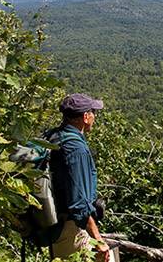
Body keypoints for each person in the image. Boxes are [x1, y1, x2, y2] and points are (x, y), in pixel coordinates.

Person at [46, 93, 116, 262]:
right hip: (71, 229)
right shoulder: (76, 149)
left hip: (55, 227)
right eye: (93, 113)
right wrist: (98, 241)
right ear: (85, 117)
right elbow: (79, 203)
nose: (95, 117)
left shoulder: (53, 136)